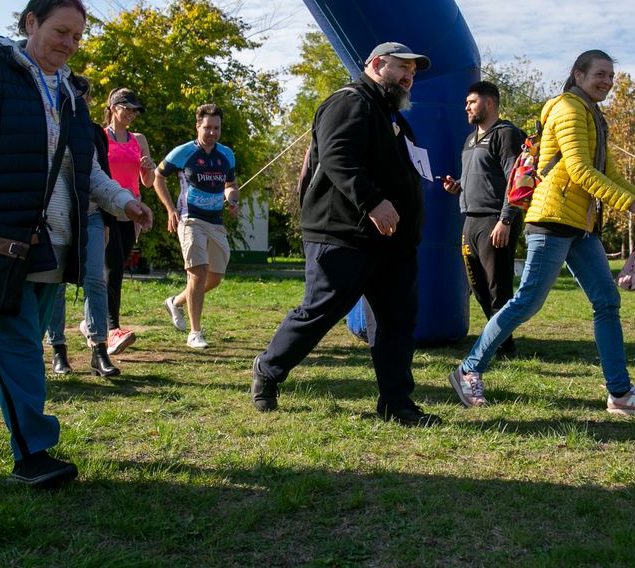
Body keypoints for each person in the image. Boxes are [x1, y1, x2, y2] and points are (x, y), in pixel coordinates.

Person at [0, 0, 153, 488]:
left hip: (54, 243)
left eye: (77, 36)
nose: (69, 44)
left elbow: (84, 168)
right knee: (21, 347)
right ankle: (33, 452)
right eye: (60, 32)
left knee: (11, 343)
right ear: (31, 22)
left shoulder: (69, 93)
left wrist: (123, 202)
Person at [448, 49, 635, 416]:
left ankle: (619, 393)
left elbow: (609, 174)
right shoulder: (568, 108)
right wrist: (634, 207)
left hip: (581, 226)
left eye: (611, 77)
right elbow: (580, 170)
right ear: (579, 75)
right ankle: (468, 369)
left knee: (606, 301)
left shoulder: (593, 115)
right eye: (600, 74)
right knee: (526, 302)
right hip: (552, 220)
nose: (607, 82)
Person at [250, 41, 441, 427]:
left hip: (392, 242)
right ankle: (268, 370)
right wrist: (372, 201)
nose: (409, 77)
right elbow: (338, 156)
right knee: (321, 311)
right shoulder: (349, 102)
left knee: (396, 321)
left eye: (414, 72)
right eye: (402, 67)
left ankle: (397, 404)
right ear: (376, 64)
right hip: (342, 234)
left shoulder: (393, 117)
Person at [440, 81, 526, 359]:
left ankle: (505, 346)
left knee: (498, 286)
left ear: (489, 103)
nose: (466, 106)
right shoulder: (469, 139)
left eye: (472, 101)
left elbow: (517, 181)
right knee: (477, 286)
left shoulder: (506, 134)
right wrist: (458, 188)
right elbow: (480, 179)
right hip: (470, 220)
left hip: (495, 221)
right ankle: (495, 339)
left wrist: (506, 220)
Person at [46, 78, 121, 377]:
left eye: (85, 97)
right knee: (57, 284)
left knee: (94, 280)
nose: (81, 102)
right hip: (57, 216)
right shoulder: (49, 125)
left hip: (90, 215)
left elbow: (102, 174)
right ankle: (58, 349)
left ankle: (98, 350)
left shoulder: (93, 133)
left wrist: (106, 220)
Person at [154, 103, 240, 350]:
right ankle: (195, 332)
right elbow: (158, 177)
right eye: (207, 128)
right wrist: (170, 209)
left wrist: (232, 199)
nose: (212, 132)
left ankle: (176, 302)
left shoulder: (226, 155)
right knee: (198, 272)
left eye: (216, 128)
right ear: (197, 127)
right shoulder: (183, 153)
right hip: (190, 219)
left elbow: (230, 185)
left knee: (214, 277)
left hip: (216, 222)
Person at [102, 87, 155, 356]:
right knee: (112, 270)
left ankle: (96, 320)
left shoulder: (139, 139)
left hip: (131, 212)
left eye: (135, 110)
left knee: (116, 266)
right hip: (106, 210)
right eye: (127, 108)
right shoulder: (100, 137)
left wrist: (149, 168)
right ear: (113, 107)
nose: (132, 114)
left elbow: (147, 181)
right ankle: (112, 329)